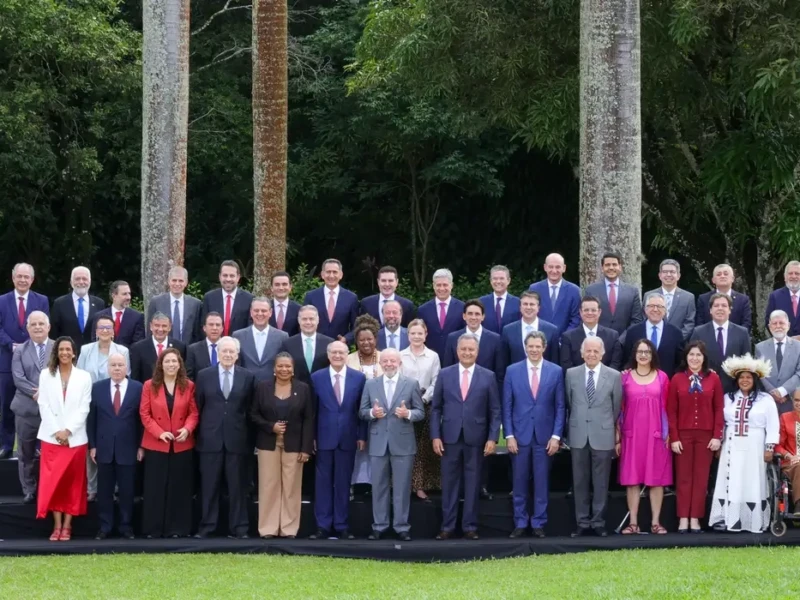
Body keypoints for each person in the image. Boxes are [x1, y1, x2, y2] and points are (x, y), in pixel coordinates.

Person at [431, 334, 500, 540]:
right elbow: (436, 409)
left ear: (477, 352)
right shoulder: (445, 374)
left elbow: (495, 410)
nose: (467, 353)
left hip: (477, 438)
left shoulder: (488, 376)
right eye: (463, 349)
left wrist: (492, 438)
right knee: (450, 483)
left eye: (471, 349)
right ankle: (447, 526)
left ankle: (470, 526)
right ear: (457, 351)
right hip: (449, 438)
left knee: (473, 483)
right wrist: (435, 436)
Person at [503, 331, 565, 538]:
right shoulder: (512, 371)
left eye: (538, 346)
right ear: (525, 347)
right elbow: (507, 406)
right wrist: (509, 435)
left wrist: (556, 436)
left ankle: (538, 522)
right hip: (519, 437)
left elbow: (560, 406)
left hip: (545, 437)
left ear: (544, 347)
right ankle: (520, 522)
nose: (534, 350)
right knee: (519, 483)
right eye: (531, 346)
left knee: (541, 482)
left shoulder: (555, 371)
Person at [194, 336, 257, 539]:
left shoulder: (247, 377)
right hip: (210, 440)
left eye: (232, 352)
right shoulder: (204, 376)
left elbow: (250, 409)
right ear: (218, 353)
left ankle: (239, 528)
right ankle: (207, 527)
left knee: (237, 487)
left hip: (237, 440)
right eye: (224, 351)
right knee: (209, 486)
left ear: (237, 355)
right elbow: (198, 406)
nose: (228, 355)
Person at [360, 348, 424, 541]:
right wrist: (372, 413)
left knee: (402, 487)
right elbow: (362, 411)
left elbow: (420, 412)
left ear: (399, 363)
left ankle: (401, 526)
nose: (389, 364)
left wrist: (408, 414)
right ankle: (379, 525)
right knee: (378, 486)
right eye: (385, 361)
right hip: (378, 442)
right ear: (380, 363)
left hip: (403, 443)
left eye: (392, 361)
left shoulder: (411, 383)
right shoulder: (371, 384)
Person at [709, 355, 779, 533]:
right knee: (732, 480)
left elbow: (773, 425)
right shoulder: (728, 398)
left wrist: (769, 448)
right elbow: (721, 423)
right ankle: (728, 518)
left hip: (755, 446)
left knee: (752, 481)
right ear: (736, 380)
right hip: (731, 446)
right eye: (741, 377)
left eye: (749, 377)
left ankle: (753, 521)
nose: (745, 380)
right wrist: (720, 441)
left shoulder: (765, 400)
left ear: (755, 380)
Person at [251, 352, 314, 538]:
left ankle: (288, 529)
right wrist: (271, 426)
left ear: (293, 369)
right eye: (280, 366)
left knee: (291, 488)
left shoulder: (303, 389)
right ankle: (268, 529)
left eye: (288, 366)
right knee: (268, 486)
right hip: (267, 443)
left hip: (295, 445)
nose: (284, 369)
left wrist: (306, 448)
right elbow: (253, 414)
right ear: (274, 368)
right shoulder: (263, 388)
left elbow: (309, 419)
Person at [36, 336, 92, 541]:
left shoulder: (84, 377)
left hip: (75, 439)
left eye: (68, 349)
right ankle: (56, 526)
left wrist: (68, 431)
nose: (65, 353)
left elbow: (84, 407)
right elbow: (44, 404)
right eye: (61, 349)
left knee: (72, 484)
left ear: (74, 352)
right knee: (54, 484)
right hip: (51, 439)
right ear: (56, 352)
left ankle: (67, 526)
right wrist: (57, 432)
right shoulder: (45, 375)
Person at [309, 341, 367, 540]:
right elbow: (312, 412)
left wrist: (361, 436)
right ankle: (322, 526)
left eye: (341, 352)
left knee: (343, 483)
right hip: (323, 438)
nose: (338, 356)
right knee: (323, 483)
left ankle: (341, 525)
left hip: (348, 438)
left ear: (347, 354)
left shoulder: (358, 378)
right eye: (334, 352)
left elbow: (361, 409)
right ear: (328, 355)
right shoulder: (316, 378)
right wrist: (312, 437)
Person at [565, 337, 622, 537]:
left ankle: (598, 522)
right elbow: (570, 403)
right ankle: (582, 522)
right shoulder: (571, 374)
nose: (591, 354)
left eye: (595, 351)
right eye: (588, 351)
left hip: (603, 434)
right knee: (579, 481)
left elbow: (616, 407)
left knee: (601, 482)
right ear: (582, 353)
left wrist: (608, 426)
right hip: (578, 433)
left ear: (602, 354)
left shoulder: (614, 376)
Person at [139, 348, 198, 538]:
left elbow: (193, 413)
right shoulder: (149, 385)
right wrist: (159, 432)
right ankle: (153, 529)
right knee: (155, 488)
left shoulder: (188, 385)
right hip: (157, 443)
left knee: (179, 488)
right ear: (161, 365)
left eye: (174, 361)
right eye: (167, 361)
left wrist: (187, 429)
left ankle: (177, 529)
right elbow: (144, 414)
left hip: (181, 443)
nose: (171, 364)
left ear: (180, 364)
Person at [667, 341, 724, 533]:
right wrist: (674, 437)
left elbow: (718, 408)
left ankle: (695, 518)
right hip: (683, 435)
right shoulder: (677, 379)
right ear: (686, 357)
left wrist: (717, 436)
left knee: (700, 478)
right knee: (683, 478)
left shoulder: (713, 379)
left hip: (706, 435)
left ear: (704, 358)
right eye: (691, 355)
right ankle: (683, 517)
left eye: (698, 355)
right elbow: (671, 411)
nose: (694, 358)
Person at [618, 339, 672, 535]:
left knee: (655, 479)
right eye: (640, 352)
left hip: (656, 435)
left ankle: (656, 522)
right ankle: (633, 523)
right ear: (634, 354)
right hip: (631, 435)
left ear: (652, 355)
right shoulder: (624, 378)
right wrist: (618, 435)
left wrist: (668, 433)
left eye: (647, 352)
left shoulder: (662, 377)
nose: (643, 355)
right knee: (632, 480)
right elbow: (619, 409)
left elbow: (667, 407)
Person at [87, 353, 144, 540]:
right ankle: (105, 527)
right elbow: (92, 419)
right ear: (108, 368)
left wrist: (141, 446)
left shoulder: (138, 388)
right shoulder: (97, 388)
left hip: (128, 448)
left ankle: (126, 527)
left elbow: (141, 420)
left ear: (126, 367)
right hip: (104, 449)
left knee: (127, 491)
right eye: (113, 365)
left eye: (120, 365)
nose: (117, 368)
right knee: (104, 492)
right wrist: (92, 446)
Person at [78, 315, 132, 501]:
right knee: (93, 445)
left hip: (115, 401)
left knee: (116, 445)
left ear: (114, 330)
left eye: (108, 327)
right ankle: (92, 487)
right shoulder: (86, 350)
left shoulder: (122, 351)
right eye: (101, 327)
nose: (105, 331)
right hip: (91, 402)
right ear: (96, 330)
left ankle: (115, 486)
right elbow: (79, 376)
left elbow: (127, 374)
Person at [0, 263, 49, 458]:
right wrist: (11, 345)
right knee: (6, 404)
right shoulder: (2, 301)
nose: (22, 280)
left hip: (34, 361)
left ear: (32, 279)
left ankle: (37, 445)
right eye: (19, 276)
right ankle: (5, 444)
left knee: (37, 403)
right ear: (13, 278)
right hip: (5, 360)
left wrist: (28, 346)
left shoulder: (41, 300)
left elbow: (43, 326)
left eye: (26, 277)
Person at [11, 311, 53, 502]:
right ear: (27, 328)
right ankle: (29, 489)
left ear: (48, 327)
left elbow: (64, 374)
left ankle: (49, 487)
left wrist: (45, 393)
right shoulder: (19, 350)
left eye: (41, 324)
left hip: (52, 410)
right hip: (26, 410)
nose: (37, 327)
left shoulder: (58, 347)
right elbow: (18, 378)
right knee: (25, 453)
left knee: (51, 452)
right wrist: (37, 393)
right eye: (33, 324)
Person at [400, 319, 441, 503]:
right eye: (413, 333)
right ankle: (404, 485)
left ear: (426, 335)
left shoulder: (433, 356)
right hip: (404, 408)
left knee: (423, 448)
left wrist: (422, 399)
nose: (416, 336)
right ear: (408, 335)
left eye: (420, 333)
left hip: (426, 406)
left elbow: (436, 381)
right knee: (406, 447)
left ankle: (421, 486)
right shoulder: (400, 356)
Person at [346, 315, 383, 488]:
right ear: (356, 341)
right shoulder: (348, 359)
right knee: (356, 450)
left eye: (370, 339)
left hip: (380, 414)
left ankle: (374, 484)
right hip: (354, 413)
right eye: (362, 340)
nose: (366, 343)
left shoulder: (386, 358)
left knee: (376, 451)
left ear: (376, 339)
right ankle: (353, 484)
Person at [690, 293, 752, 393]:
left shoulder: (742, 333)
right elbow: (692, 360)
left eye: (724, 305)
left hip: (734, 390)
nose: (720, 308)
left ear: (730, 310)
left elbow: (746, 363)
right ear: (710, 310)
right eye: (716, 305)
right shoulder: (698, 332)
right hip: (706, 389)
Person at [621, 292, 684, 377]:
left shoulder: (675, 333)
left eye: (659, 306)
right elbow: (627, 359)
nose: (655, 309)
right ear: (645, 309)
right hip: (639, 382)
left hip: (667, 383)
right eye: (651, 306)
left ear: (665, 310)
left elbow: (679, 362)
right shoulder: (633, 331)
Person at [584, 252, 643, 335]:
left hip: (624, 343)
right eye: (607, 265)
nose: (611, 267)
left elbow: (637, 320)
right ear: (602, 268)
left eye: (614, 264)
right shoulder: (591, 290)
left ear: (620, 267)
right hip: (598, 342)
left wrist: (622, 340)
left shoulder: (632, 292)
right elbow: (587, 317)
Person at [232, 297, 288, 383]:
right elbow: (235, 365)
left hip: (271, 388)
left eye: (264, 311)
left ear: (270, 312)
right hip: (245, 387)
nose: (260, 313)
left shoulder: (282, 337)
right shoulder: (238, 336)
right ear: (251, 312)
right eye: (256, 310)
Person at [560, 296, 623, 370]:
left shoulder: (612, 336)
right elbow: (566, 365)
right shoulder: (568, 337)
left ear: (599, 312)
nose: (590, 313)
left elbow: (615, 363)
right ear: (580, 312)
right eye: (586, 310)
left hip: (606, 380)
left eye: (593, 310)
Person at [50, 266, 106, 349]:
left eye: (84, 279)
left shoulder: (99, 303)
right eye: (77, 279)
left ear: (90, 281)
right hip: (67, 353)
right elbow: (54, 333)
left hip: (92, 352)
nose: (81, 282)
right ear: (71, 281)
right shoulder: (59, 303)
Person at [303, 258, 359, 341]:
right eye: (328, 272)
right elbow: (303, 322)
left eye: (335, 272)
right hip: (316, 346)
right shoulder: (311, 296)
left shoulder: (351, 298)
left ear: (341, 275)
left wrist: (346, 339)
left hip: (340, 348)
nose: (331, 275)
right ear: (322, 274)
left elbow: (356, 326)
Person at [756, 310, 800, 416]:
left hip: (793, 401)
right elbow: (759, 373)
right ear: (769, 326)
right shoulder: (760, 347)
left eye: (781, 323)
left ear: (788, 325)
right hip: (769, 401)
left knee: (796, 432)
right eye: (774, 323)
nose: (778, 326)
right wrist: (773, 392)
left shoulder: (798, 346)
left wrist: (783, 390)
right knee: (771, 431)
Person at [417, 268, 465, 362]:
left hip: (455, 359)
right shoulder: (423, 310)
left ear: (451, 285)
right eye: (438, 285)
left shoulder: (462, 308)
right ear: (433, 286)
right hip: (429, 360)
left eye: (445, 285)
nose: (442, 288)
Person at [147, 266, 203, 345]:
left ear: (186, 282)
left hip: (187, 351)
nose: (177, 284)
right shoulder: (156, 302)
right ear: (169, 281)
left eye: (180, 281)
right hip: (163, 351)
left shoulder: (195, 304)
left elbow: (197, 333)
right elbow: (150, 331)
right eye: (174, 280)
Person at [279, 305, 333, 387]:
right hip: (296, 391)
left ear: (318, 320)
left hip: (322, 390)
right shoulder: (288, 344)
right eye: (304, 319)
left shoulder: (329, 343)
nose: (308, 322)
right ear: (299, 320)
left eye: (311, 319)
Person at [529, 253, 581, 336]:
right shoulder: (534, 289)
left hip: (565, 342)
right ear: (545, 267)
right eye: (550, 267)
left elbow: (576, 319)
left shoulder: (574, 290)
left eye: (558, 267)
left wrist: (565, 339)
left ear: (564, 268)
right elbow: (530, 314)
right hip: (539, 342)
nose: (554, 271)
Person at [501, 291, 559, 365]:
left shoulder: (551, 330)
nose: (528, 307)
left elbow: (555, 361)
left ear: (538, 308)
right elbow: (504, 361)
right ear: (520, 307)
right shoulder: (508, 330)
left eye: (532, 304)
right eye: (525, 304)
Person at [645, 259, 696, 341]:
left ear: (678, 275)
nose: (668, 275)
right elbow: (645, 319)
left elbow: (689, 324)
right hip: (653, 341)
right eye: (665, 272)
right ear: (659, 275)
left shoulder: (688, 297)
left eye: (672, 272)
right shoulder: (648, 295)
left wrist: (676, 340)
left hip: (678, 344)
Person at [130, 312, 187, 383]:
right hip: (148, 392)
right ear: (151, 326)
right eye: (157, 325)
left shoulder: (179, 346)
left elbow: (182, 373)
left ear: (169, 327)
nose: (160, 329)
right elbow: (135, 378)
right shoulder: (138, 348)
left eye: (164, 326)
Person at [201, 260, 254, 337]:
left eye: (232, 276)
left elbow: (250, 327)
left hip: (239, 346)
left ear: (238, 277)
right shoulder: (209, 298)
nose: (228, 279)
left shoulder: (249, 299)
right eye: (225, 275)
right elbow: (203, 325)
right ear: (220, 277)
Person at [695, 263, 752, 330]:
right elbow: (699, 324)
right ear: (713, 280)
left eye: (726, 274)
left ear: (732, 279)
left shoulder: (743, 300)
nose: (722, 276)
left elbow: (746, 324)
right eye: (719, 274)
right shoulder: (703, 299)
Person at [91, 280, 145, 348]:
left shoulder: (137, 317)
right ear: (114, 296)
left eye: (129, 293)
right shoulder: (99, 316)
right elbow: (95, 341)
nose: (128, 297)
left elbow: (138, 344)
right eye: (124, 294)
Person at [775, 391, 800, 514]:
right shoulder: (785, 417)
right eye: (796, 400)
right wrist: (789, 455)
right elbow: (778, 445)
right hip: (791, 462)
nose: (799, 403)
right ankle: (799, 504)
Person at [479, 265, 521, 335]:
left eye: (501, 278)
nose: (498, 281)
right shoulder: (481, 302)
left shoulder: (518, 303)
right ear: (490, 281)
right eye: (495, 278)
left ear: (508, 281)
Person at [765, 261, 800, 337]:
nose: (793, 276)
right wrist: (783, 339)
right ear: (785, 277)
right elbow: (769, 321)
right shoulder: (775, 296)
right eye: (790, 273)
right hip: (783, 345)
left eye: (797, 273)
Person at [186, 312, 224, 380]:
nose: (214, 328)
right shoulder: (193, 349)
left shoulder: (229, 349)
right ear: (204, 328)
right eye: (211, 324)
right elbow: (189, 376)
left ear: (222, 328)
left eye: (218, 325)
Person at [269, 271, 302, 336]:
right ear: (271, 288)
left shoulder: (299, 309)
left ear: (290, 287)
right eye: (277, 284)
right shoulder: (264, 308)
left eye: (284, 284)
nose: (281, 288)